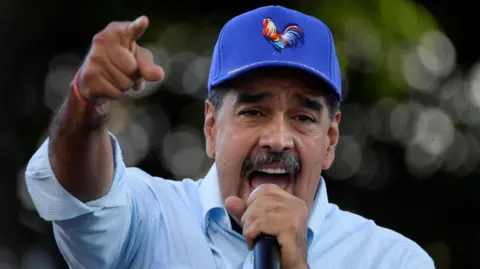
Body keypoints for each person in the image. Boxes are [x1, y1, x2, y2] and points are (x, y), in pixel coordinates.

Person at [25, 5, 435, 269]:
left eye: (303, 117)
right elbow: (79, 197)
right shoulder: (150, 219)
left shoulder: (391, 260)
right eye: (254, 111)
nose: (278, 139)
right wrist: (86, 103)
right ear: (211, 127)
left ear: (330, 140)